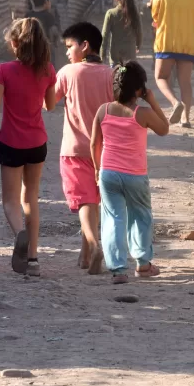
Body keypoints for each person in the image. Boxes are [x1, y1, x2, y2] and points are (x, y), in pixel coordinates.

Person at [0, 17, 57, 277]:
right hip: (37, 143)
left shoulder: (3, 70)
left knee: (10, 202)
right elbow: (50, 105)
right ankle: (34, 259)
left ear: (15, 44)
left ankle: (19, 235)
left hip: (11, 143)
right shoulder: (47, 69)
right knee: (32, 198)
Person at [89, 61, 169, 284]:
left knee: (113, 218)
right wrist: (152, 100)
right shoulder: (142, 113)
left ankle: (118, 269)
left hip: (108, 173)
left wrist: (97, 169)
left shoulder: (103, 110)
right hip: (135, 175)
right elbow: (164, 128)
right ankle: (143, 265)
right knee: (140, 217)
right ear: (138, 90)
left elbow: (95, 143)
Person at [56, 22, 115, 274]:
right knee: (93, 201)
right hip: (105, 149)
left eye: (70, 46)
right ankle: (84, 255)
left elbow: (49, 102)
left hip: (74, 149)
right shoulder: (111, 74)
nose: (68, 53)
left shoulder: (68, 72)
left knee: (83, 203)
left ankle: (94, 244)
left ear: (84, 45)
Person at [151, 0, 194, 127]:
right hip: (187, 44)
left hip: (166, 42)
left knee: (160, 77)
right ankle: (186, 119)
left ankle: (175, 103)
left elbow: (155, 16)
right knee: (185, 83)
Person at [101, 0, 142, 66]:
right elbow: (139, 33)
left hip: (115, 58)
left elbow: (104, 36)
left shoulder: (111, 13)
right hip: (131, 57)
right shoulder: (135, 14)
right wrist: (138, 45)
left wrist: (102, 56)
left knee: (116, 78)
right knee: (129, 78)